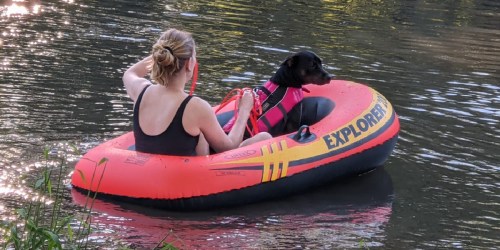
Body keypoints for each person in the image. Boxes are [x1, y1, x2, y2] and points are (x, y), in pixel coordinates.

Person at [123, 28, 271, 156]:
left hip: (146, 178)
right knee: (264, 138)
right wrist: (244, 110)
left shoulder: (141, 91)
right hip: (186, 182)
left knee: (198, 133)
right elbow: (228, 147)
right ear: (189, 64)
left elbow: (130, 73)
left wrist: (162, 55)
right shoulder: (196, 107)